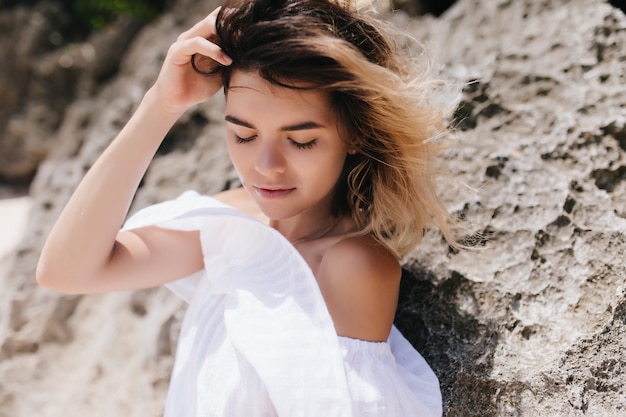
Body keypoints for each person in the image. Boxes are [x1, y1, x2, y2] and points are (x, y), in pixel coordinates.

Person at [37, 0, 459, 415]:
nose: (266, 166)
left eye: (301, 140)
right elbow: (66, 271)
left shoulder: (351, 266)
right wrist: (162, 104)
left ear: (356, 134)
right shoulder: (232, 226)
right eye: (243, 135)